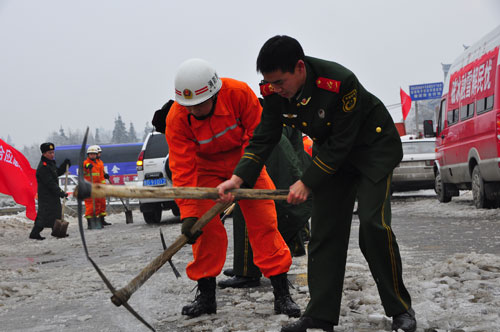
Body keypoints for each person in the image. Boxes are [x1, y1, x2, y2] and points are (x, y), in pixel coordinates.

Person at [217, 35, 417, 332]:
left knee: (374, 226)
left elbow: (342, 143)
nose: (276, 89)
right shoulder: (274, 93)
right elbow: (264, 136)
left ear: (300, 68)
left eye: (281, 82)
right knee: (324, 232)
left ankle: (401, 309)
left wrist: (307, 182)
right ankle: (320, 315)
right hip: (332, 157)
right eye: (270, 83)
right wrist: (238, 177)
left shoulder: (339, 82)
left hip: (372, 149)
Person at [165, 58, 300, 319]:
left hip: (246, 163)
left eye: (200, 104)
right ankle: (206, 297)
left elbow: (259, 137)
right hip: (206, 172)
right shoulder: (177, 118)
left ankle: (282, 294)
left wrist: (244, 176)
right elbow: (182, 170)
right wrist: (190, 214)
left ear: (214, 93)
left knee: (264, 225)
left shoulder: (239, 94)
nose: (194, 111)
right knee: (204, 232)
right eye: (188, 106)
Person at [219, 127, 312, 289]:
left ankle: (248, 272)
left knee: (253, 216)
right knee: (271, 216)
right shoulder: (283, 116)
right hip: (285, 166)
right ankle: (247, 267)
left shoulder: (260, 120)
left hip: (270, 166)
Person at [29, 142, 70, 240]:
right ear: (44, 154)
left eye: (53, 152)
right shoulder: (43, 167)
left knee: (55, 213)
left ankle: (57, 231)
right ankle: (34, 233)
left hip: (52, 195)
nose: (52, 154)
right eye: (49, 153)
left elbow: (57, 173)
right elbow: (50, 183)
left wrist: (65, 165)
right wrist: (60, 192)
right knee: (44, 215)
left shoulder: (50, 164)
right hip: (46, 196)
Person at [83, 145, 107, 227]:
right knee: (90, 205)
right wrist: (86, 167)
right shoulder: (86, 163)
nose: (92, 155)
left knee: (98, 204)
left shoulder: (98, 163)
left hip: (98, 186)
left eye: (94, 154)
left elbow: (100, 174)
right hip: (89, 187)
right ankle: (90, 223)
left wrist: (105, 175)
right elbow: (82, 169)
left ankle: (98, 221)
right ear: (88, 155)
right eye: (91, 154)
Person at [94, 145, 111, 226]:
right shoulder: (91, 163)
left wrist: (105, 175)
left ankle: (102, 219)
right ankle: (97, 220)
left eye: (100, 153)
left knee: (102, 203)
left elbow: (102, 171)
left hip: (102, 186)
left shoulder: (100, 162)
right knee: (97, 204)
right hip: (96, 186)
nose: (99, 154)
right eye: (98, 153)